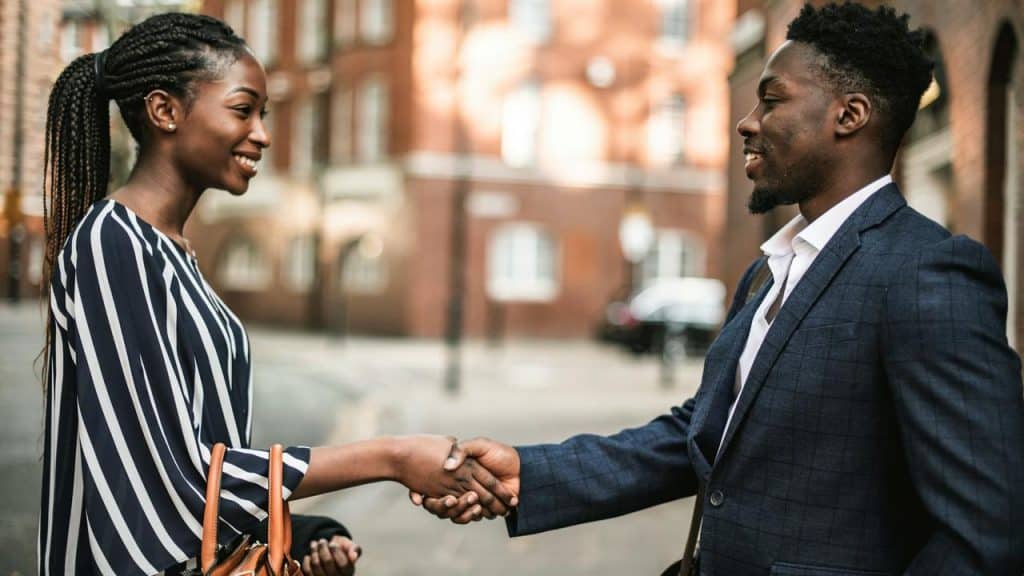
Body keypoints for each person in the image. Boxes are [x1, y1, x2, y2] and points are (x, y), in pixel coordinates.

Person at [413, 3, 1024, 574]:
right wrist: (530, 472)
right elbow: (704, 434)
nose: (746, 122)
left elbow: (983, 535)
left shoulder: (928, 274)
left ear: (850, 115)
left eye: (772, 101)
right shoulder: (769, 270)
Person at [37, 13, 511, 576]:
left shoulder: (170, 250)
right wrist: (393, 457)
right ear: (165, 111)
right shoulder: (112, 244)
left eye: (263, 114)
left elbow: (210, 470)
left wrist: (297, 546)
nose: (262, 133)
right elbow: (169, 486)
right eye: (242, 110)